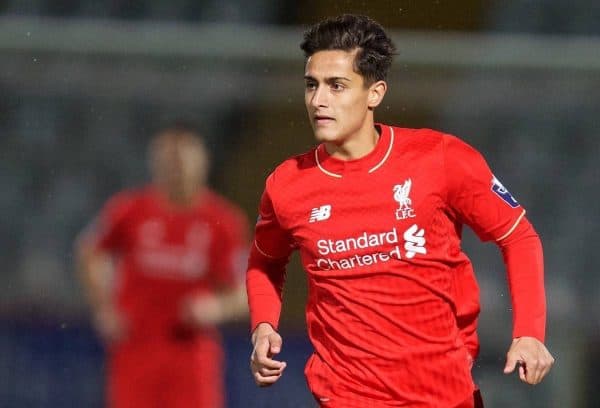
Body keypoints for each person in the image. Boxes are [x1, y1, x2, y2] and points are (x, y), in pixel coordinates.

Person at [246, 14, 554, 407]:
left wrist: (529, 332)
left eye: (336, 86)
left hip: (445, 396)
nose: (318, 100)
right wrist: (263, 325)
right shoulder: (287, 184)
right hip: (344, 397)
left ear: (374, 93)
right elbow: (265, 260)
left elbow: (518, 236)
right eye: (312, 85)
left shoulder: (440, 158)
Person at [75, 122, 249, 408]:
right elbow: (90, 251)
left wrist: (215, 308)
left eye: (181, 162)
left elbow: (245, 292)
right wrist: (103, 306)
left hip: (190, 354)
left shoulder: (223, 222)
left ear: (202, 163)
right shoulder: (129, 209)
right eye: (167, 162)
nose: (174, 170)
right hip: (136, 348)